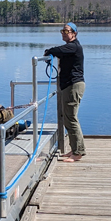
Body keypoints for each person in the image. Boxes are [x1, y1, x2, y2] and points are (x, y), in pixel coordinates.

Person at [44, 22, 85, 162]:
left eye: (66, 31)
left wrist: (49, 51)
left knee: (71, 118)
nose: (63, 33)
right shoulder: (70, 47)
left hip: (74, 85)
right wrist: (51, 52)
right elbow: (60, 51)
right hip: (69, 85)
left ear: (74, 33)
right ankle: (73, 150)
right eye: (62, 31)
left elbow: (58, 50)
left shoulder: (74, 46)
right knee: (67, 119)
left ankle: (78, 152)